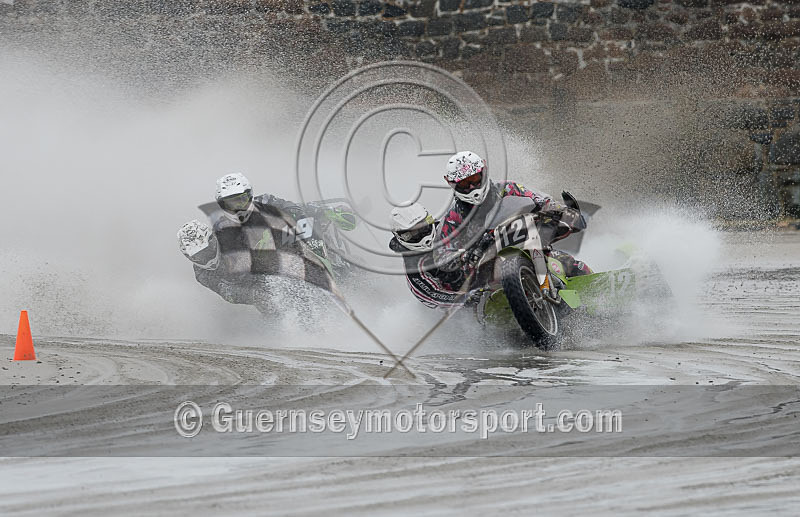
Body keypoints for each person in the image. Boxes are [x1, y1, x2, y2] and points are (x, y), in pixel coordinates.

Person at [435, 151, 592, 285]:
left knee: (571, 264)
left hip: (526, 246)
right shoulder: (453, 217)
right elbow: (442, 255)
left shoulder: (508, 188)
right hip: (486, 272)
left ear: (484, 171)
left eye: (475, 179)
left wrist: (562, 211)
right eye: (464, 183)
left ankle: (597, 290)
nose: (471, 187)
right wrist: (461, 256)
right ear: (451, 183)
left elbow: (543, 201)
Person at [389, 203, 467, 309]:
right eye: (412, 233)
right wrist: (465, 298)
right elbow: (431, 294)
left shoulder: (446, 225)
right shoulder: (413, 266)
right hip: (453, 301)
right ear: (401, 237)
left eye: (422, 227)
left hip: (472, 267)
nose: (421, 235)